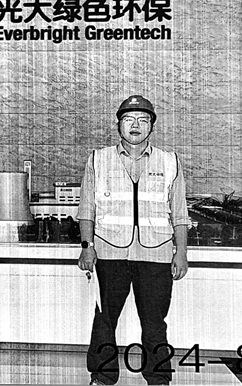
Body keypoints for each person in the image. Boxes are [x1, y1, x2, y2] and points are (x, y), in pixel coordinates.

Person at [77, 95, 190, 386]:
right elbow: (87, 209)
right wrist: (87, 247)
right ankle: (102, 377)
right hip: (109, 253)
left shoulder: (170, 161)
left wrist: (181, 253)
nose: (135, 125)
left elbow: (179, 213)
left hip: (156, 254)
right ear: (118, 125)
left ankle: (159, 378)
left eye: (143, 120)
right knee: (104, 320)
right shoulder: (98, 159)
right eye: (129, 119)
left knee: (155, 324)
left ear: (152, 126)